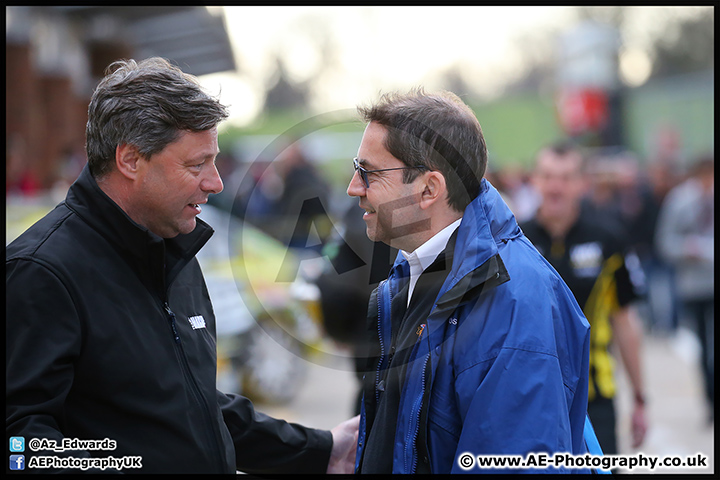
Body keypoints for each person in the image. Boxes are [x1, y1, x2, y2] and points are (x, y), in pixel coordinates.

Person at [6, 57, 358, 475]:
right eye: (196, 165)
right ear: (131, 160)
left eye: (213, 161)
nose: (216, 182)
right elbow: (22, 446)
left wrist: (322, 451)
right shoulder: (41, 272)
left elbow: (192, 412)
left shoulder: (173, 253)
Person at [346, 88, 602, 474]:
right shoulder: (411, 275)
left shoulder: (515, 299)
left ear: (429, 189)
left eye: (368, 172)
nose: (354, 187)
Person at [520, 142, 648, 456]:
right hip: (530, 396)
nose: (555, 187)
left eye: (565, 178)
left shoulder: (609, 239)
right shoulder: (514, 240)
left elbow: (624, 322)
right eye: (548, 176)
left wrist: (640, 398)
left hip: (595, 396)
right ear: (535, 180)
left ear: (582, 184)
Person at [655, 153, 714, 423]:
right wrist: (687, 250)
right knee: (705, 348)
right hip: (694, 285)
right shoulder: (680, 200)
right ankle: (711, 400)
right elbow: (665, 242)